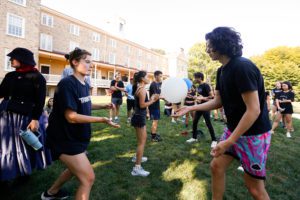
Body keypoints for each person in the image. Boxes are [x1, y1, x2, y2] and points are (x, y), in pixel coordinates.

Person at [173, 27, 271, 200]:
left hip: (253, 134)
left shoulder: (242, 67)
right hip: (233, 129)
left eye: (209, 45)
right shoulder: (221, 71)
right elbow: (218, 101)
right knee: (216, 166)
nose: (207, 50)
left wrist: (229, 141)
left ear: (221, 44)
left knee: (254, 188)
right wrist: (191, 108)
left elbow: (254, 109)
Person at [42, 48, 120, 200]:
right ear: (75, 62)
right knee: (88, 179)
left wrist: (103, 106)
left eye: (92, 62)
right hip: (64, 138)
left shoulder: (84, 84)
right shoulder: (67, 84)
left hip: (77, 138)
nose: (91, 65)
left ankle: (50, 193)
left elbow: (84, 104)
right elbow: (71, 116)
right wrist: (102, 120)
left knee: (74, 170)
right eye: (87, 61)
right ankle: (51, 193)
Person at [0, 47, 51, 182]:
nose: (11, 60)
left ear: (22, 59)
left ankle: (23, 173)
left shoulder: (37, 77)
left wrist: (35, 119)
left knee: (23, 145)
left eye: (13, 57)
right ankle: (6, 171)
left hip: (25, 117)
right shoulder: (10, 76)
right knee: (7, 145)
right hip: (6, 117)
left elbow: (40, 101)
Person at [131, 71, 159, 177]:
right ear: (142, 79)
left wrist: (152, 99)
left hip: (138, 116)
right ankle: (136, 168)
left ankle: (137, 156)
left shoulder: (140, 88)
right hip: (138, 117)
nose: (149, 78)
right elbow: (142, 105)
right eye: (147, 77)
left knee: (142, 140)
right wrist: (153, 100)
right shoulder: (142, 90)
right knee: (141, 142)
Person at [186, 72, 217, 144]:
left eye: (195, 77)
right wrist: (194, 97)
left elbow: (212, 96)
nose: (195, 79)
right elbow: (200, 96)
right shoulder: (198, 86)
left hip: (206, 107)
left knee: (208, 123)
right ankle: (194, 137)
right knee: (195, 122)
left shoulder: (206, 85)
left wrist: (203, 98)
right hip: (200, 107)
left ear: (200, 78)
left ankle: (214, 140)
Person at [149, 71, 163, 142]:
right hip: (153, 105)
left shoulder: (158, 84)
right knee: (155, 121)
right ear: (156, 76)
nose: (161, 77)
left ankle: (153, 133)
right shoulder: (153, 84)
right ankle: (153, 137)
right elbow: (155, 97)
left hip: (156, 105)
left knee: (156, 121)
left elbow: (158, 94)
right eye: (160, 76)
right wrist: (162, 96)